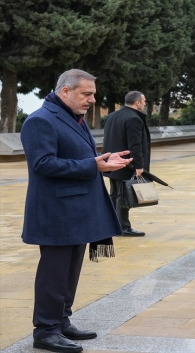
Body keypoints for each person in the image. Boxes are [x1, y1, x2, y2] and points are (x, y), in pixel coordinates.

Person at [20, 69, 132, 353]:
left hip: (78, 209)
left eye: (93, 93)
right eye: (87, 94)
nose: (92, 99)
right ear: (65, 91)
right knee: (53, 273)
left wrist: (102, 160)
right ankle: (45, 331)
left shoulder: (72, 118)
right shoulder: (40, 120)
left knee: (70, 272)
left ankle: (61, 320)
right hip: (56, 212)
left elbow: (78, 157)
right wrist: (93, 165)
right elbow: (43, 164)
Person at [102, 91, 151, 237]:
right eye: (144, 101)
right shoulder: (134, 118)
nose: (144, 103)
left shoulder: (112, 116)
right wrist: (139, 166)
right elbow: (135, 145)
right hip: (126, 163)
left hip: (112, 161)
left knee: (114, 194)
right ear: (137, 102)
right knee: (123, 196)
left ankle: (111, 225)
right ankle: (123, 227)